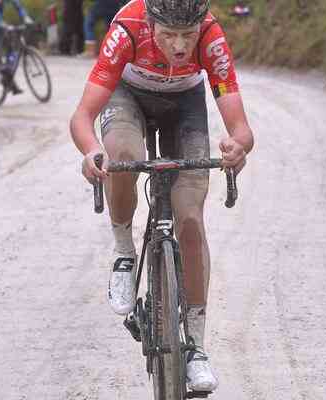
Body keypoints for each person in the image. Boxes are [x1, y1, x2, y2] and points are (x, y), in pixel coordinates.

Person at [69, 0, 254, 392]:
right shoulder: (127, 28)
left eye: (188, 35)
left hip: (184, 105)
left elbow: (240, 126)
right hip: (127, 97)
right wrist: (90, 151)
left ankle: (196, 349)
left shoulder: (211, 35)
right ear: (150, 23)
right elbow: (82, 117)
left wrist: (238, 146)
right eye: (168, 35)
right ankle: (123, 252)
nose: (181, 47)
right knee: (123, 157)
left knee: (189, 217)